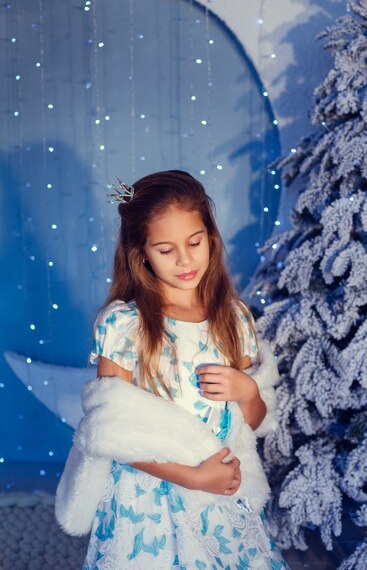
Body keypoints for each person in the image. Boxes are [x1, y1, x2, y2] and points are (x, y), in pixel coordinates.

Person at [57, 170, 289, 569]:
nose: (185, 260)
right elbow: (112, 431)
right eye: (166, 250)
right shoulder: (123, 324)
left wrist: (248, 392)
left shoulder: (234, 318)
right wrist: (191, 477)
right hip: (148, 494)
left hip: (220, 486)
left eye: (195, 243)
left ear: (210, 238)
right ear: (141, 252)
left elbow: (252, 422)